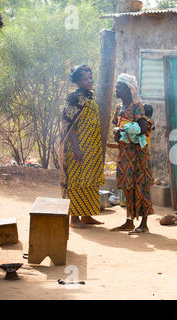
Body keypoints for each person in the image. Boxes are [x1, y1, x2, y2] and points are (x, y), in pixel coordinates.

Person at [59, 65, 105, 228]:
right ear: (78, 81)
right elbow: (68, 125)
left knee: (90, 180)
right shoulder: (73, 98)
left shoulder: (89, 97)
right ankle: (74, 218)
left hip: (92, 147)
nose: (89, 81)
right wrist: (77, 148)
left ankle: (87, 216)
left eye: (91, 78)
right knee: (78, 180)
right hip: (77, 147)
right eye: (86, 79)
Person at [110, 73, 154, 234]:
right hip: (124, 153)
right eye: (116, 87)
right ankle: (129, 221)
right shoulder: (118, 107)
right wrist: (117, 133)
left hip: (137, 154)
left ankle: (144, 223)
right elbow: (116, 126)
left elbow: (142, 127)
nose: (116, 90)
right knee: (127, 187)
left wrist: (123, 129)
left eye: (119, 87)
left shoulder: (137, 106)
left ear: (128, 89)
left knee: (141, 185)